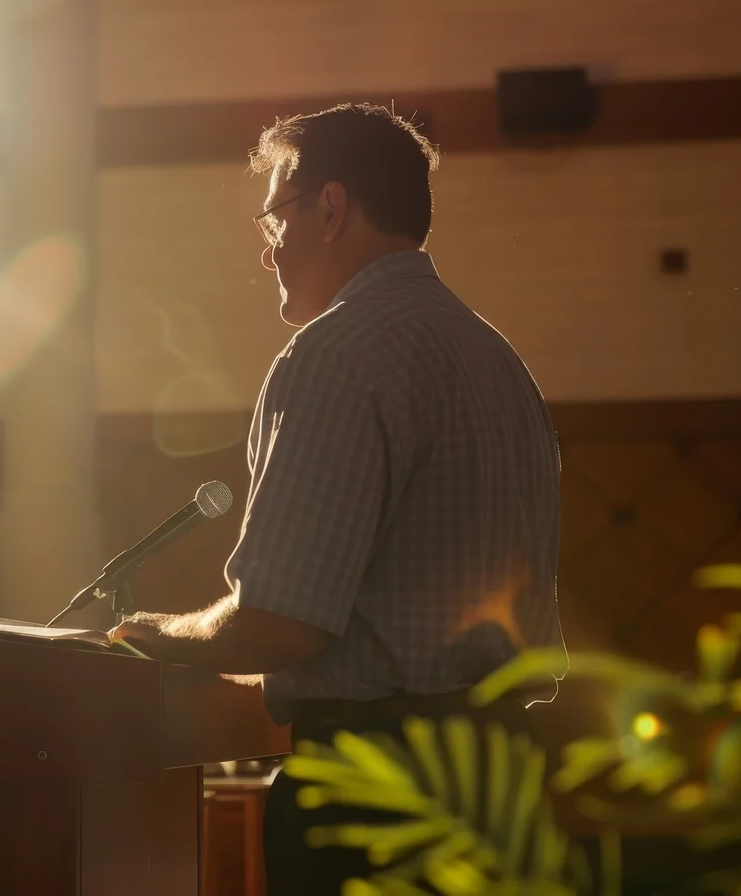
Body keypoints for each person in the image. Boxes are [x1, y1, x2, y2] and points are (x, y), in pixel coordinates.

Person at [111, 103, 567, 893]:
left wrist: (156, 634)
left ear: (328, 208)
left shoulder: (333, 356)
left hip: (377, 801)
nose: (266, 253)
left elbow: (280, 624)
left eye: (272, 220)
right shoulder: (496, 360)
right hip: (506, 787)